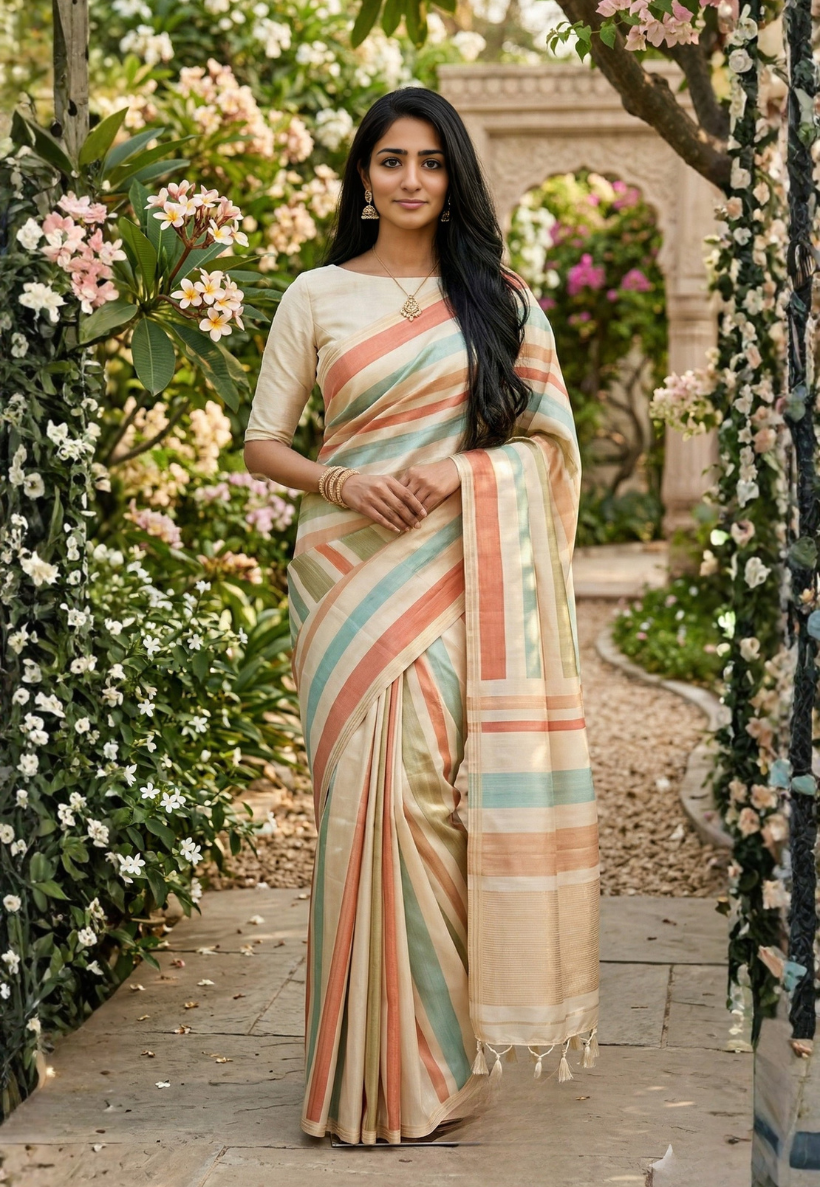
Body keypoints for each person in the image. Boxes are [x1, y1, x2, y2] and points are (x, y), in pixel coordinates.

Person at [243, 86, 600, 1147]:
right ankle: (356, 1075)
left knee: (434, 804)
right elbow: (265, 441)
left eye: (432, 162)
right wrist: (346, 485)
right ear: (363, 177)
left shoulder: (499, 301)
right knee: (360, 813)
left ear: (454, 181)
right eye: (391, 160)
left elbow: (547, 450)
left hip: (452, 572)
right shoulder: (316, 294)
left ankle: (433, 1067)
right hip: (344, 577)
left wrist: (453, 478)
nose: (410, 179)